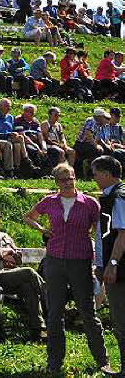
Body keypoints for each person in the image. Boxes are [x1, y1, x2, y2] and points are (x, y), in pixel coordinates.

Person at [24, 163, 111, 375]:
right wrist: (42, 229)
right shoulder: (49, 201)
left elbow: (99, 231)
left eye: (71, 177)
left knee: (88, 311)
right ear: (56, 182)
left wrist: (95, 257)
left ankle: (102, 359)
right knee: (54, 312)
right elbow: (29, 217)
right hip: (54, 260)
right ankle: (54, 361)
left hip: (80, 260)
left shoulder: (89, 203)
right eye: (64, 179)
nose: (69, 182)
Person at [0, 204, 46, 341]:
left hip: (9, 276)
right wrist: (8, 252)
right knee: (29, 272)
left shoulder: (5, 236)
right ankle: (52, 302)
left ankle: (39, 329)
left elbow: (18, 258)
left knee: (28, 287)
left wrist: (9, 256)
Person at [92, 156, 125, 375]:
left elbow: (123, 233)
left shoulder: (118, 197)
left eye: (95, 173)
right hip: (116, 266)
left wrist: (112, 264)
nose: (93, 178)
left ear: (106, 173)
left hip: (121, 269)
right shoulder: (113, 196)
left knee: (121, 321)